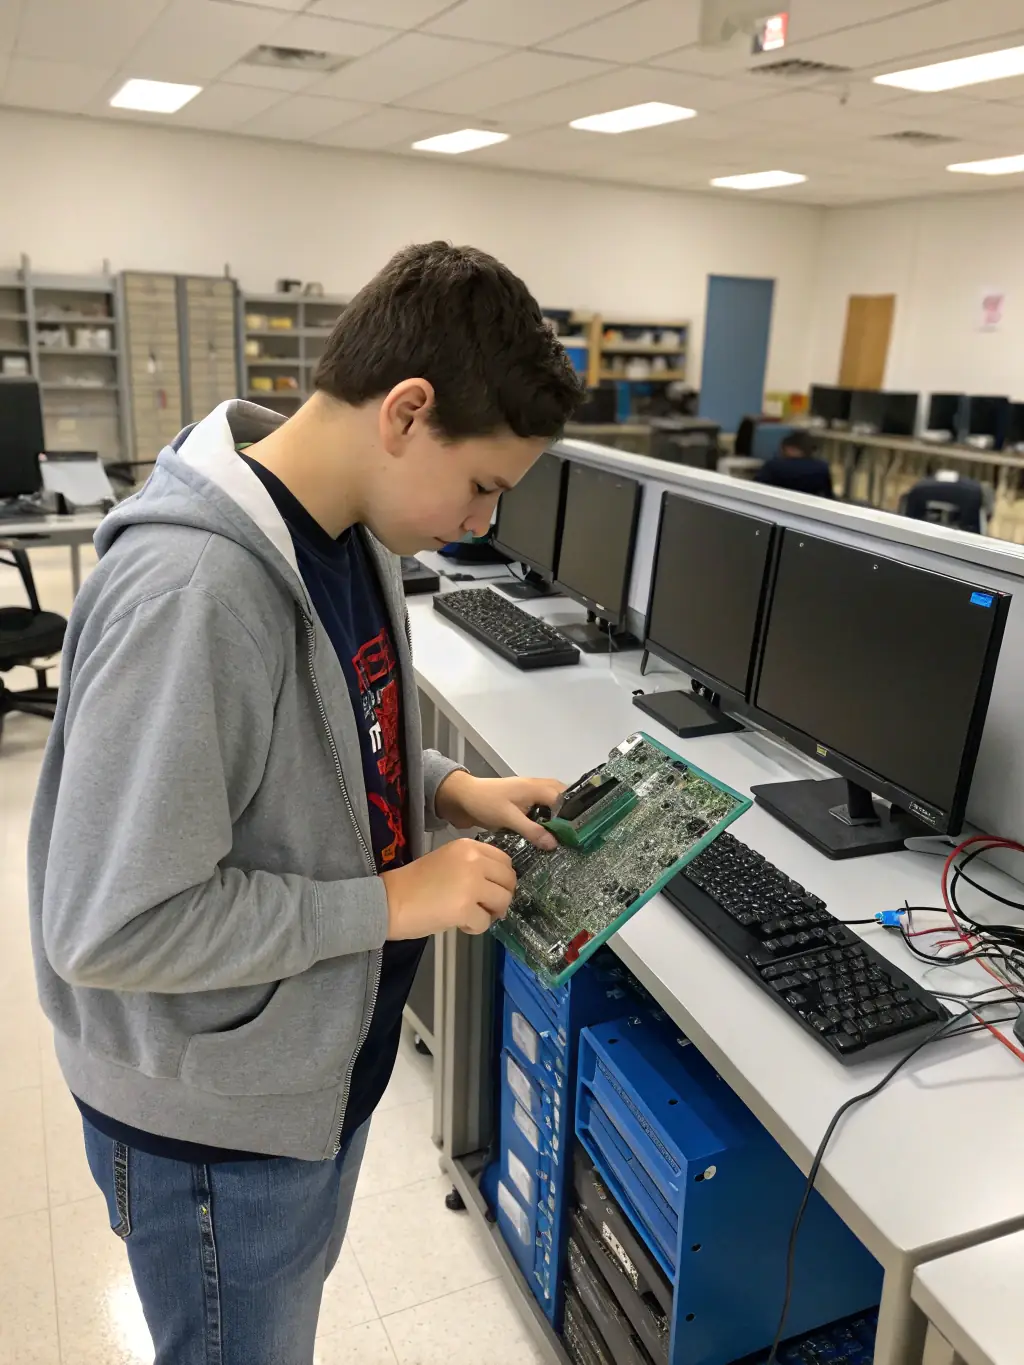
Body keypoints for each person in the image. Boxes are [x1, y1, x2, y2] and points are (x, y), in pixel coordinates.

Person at [28, 242, 584, 1365]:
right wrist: (390, 905)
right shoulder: (198, 592)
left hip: (298, 1078)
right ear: (407, 410)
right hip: (207, 1128)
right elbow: (110, 924)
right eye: (482, 484)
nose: (480, 520)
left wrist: (450, 787)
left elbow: (331, 751)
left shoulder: (340, 534)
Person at [755, 428, 834, 498]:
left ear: (790, 448)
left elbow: (755, 490)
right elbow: (828, 496)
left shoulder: (774, 466)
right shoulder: (822, 467)